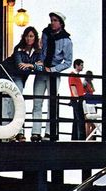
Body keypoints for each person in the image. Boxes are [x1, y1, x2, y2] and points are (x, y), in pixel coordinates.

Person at [0, 26, 43, 142]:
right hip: (7, 74)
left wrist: (30, 65)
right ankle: (9, 133)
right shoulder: (18, 49)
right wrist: (32, 66)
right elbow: (20, 66)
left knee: (18, 100)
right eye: (27, 36)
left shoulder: (37, 52)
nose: (29, 38)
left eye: (31, 36)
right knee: (8, 102)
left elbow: (40, 68)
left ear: (35, 38)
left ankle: (19, 132)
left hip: (18, 78)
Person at [31, 11, 73, 142]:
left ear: (61, 23)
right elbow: (41, 50)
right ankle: (35, 132)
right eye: (51, 20)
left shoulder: (66, 41)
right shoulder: (45, 33)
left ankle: (49, 132)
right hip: (41, 71)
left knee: (51, 103)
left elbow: (68, 62)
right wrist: (39, 62)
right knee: (37, 101)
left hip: (53, 74)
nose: (52, 22)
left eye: (55, 20)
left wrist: (53, 69)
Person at [68, 59, 86, 140]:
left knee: (76, 118)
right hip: (77, 99)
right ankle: (81, 137)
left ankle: (75, 137)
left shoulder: (77, 76)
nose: (82, 67)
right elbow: (73, 87)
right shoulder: (73, 75)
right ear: (77, 65)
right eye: (81, 65)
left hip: (78, 98)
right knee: (80, 118)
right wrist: (77, 98)